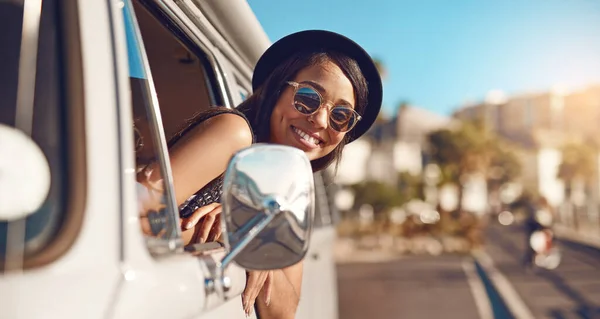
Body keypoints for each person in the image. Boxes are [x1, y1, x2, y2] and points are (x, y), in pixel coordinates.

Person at [137, 30, 383, 318]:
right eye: (308, 97)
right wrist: (232, 230)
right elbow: (125, 220)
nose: (319, 119)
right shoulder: (234, 133)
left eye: (341, 116)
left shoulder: (286, 187)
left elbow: (284, 311)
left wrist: (253, 235)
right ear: (276, 88)